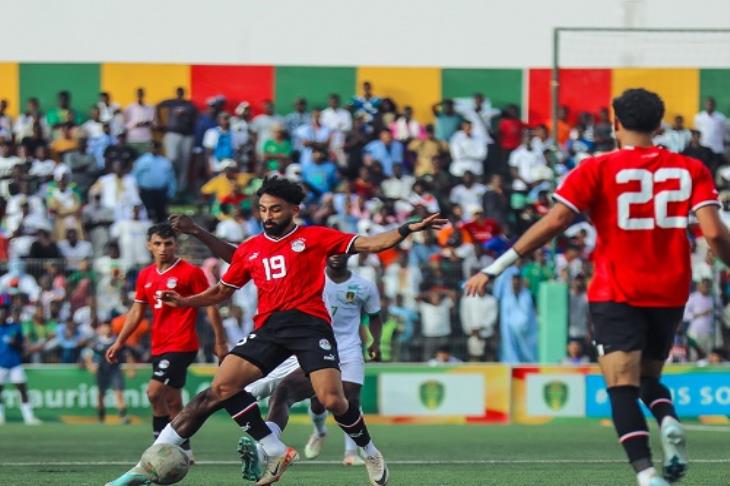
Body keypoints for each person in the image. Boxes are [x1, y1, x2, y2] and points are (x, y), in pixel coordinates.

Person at [465, 88, 730, 486]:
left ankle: (646, 474)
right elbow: (712, 231)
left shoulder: (596, 167)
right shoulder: (691, 169)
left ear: (615, 122)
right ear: (660, 126)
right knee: (648, 378)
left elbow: (554, 222)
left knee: (621, 385)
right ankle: (668, 418)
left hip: (617, 289)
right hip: (670, 289)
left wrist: (497, 266)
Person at [106, 177, 445, 486]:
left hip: (310, 326)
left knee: (332, 399)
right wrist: (185, 301)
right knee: (220, 389)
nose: (267, 215)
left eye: (275, 209)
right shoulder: (251, 248)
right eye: (263, 209)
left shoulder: (313, 237)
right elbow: (222, 291)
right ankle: (147, 464)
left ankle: (369, 451)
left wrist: (407, 228)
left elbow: (370, 244)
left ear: (294, 209)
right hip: (269, 328)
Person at [236, 253, 383, 481]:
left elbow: (375, 316)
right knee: (285, 392)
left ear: (350, 254)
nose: (335, 257)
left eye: (341, 252)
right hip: (311, 346)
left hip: (347, 350)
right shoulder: (311, 278)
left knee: (347, 400)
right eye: (331, 252)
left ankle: (362, 453)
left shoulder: (364, 286)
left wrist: (376, 342)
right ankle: (282, 443)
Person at [105, 223, 226, 461]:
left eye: (168, 243)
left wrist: (220, 341)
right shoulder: (145, 275)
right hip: (159, 345)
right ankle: (186, 449)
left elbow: (210, 306)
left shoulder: (191, 272)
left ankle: (158, 447)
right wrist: (119, 341)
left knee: (153, 392)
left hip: (182, 343)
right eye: (158, 244)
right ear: (149, 245)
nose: (163, 248)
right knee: (171, 399)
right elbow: (137, 312)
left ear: (176, 245)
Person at [0, 304, 41, 425]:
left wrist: (15, 342)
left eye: (3, 312)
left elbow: (23, 346)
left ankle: (29, 417)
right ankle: (0, 417)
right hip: (1, 364)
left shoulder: (15, 327)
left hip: (15, 364)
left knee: (22, 389)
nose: (1, 314)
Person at [85, 321, 132, 424]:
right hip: (102, 371)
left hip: (115, 370)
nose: (107, 329)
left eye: (109, 327)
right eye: (105, 327)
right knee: (100, 395)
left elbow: (128, 355)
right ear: (101, 329)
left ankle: (123, 416)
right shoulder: (96, 342)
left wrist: (131, 369)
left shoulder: (117, 341)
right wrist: (91, 365)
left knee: (119, 393)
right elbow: (87, 355)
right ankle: (101, 418)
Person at [157, 87, 197, 192]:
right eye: (178, 92)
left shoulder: (189, 105)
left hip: (187, 136)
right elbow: (158, 106)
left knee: (185, 163)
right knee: (172, 159)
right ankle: (170, 187)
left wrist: (186, 116)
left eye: (181, 92)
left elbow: (194, 120)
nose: (180, 94)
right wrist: (160, 122)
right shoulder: (171, 102)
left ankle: (181, 189)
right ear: (176, 93)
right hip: (172, 134)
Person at [132, 142, 177, 222]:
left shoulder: (165, 161)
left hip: (161, 192)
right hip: (146, 191)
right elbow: (135, 175)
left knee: (161, 214)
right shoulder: (142, 161)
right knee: (148, 213)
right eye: (152, 147)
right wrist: (135, 189)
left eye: (156, 148)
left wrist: (171, 191)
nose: (154, 149)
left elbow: (171, 178)